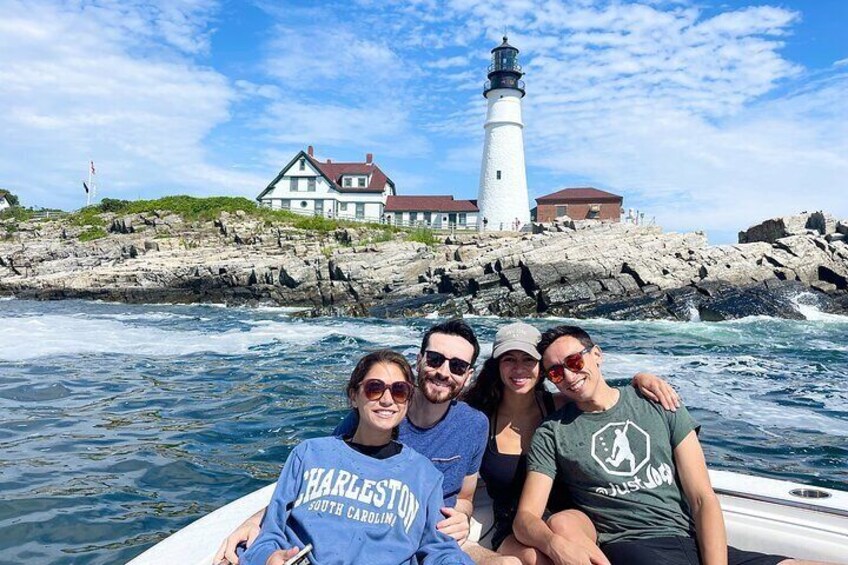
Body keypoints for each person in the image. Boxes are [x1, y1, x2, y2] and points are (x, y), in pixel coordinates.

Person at [513, 325, 834, 565]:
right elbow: (526, 518)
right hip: (632, 546)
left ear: (596, 355)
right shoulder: (553, 433)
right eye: (556, 372)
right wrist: (555, 544)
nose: (568, 375)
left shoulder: (657, 401)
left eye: (574, 361)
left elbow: (701, 498)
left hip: (691, 540)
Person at [216, 319, 500, 564]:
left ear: (468, 374)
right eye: (436, 359)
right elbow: (314, 477)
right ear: (420, 360)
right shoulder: (319, 448)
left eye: (458, 366)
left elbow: (459, 508)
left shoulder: (448, 452)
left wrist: (460, 517)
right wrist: (259, 526)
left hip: (434, 529)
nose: (387, 400)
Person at [461, 323, 679, 563]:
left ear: (542, 369)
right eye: (509, 359)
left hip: (573, 520)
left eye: (528, 360)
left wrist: (639, 378)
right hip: (515, 526)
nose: (519, 368)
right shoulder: (479, 418)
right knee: (538, 560)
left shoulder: (561, 405)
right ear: (497, 366)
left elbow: (599, 389)